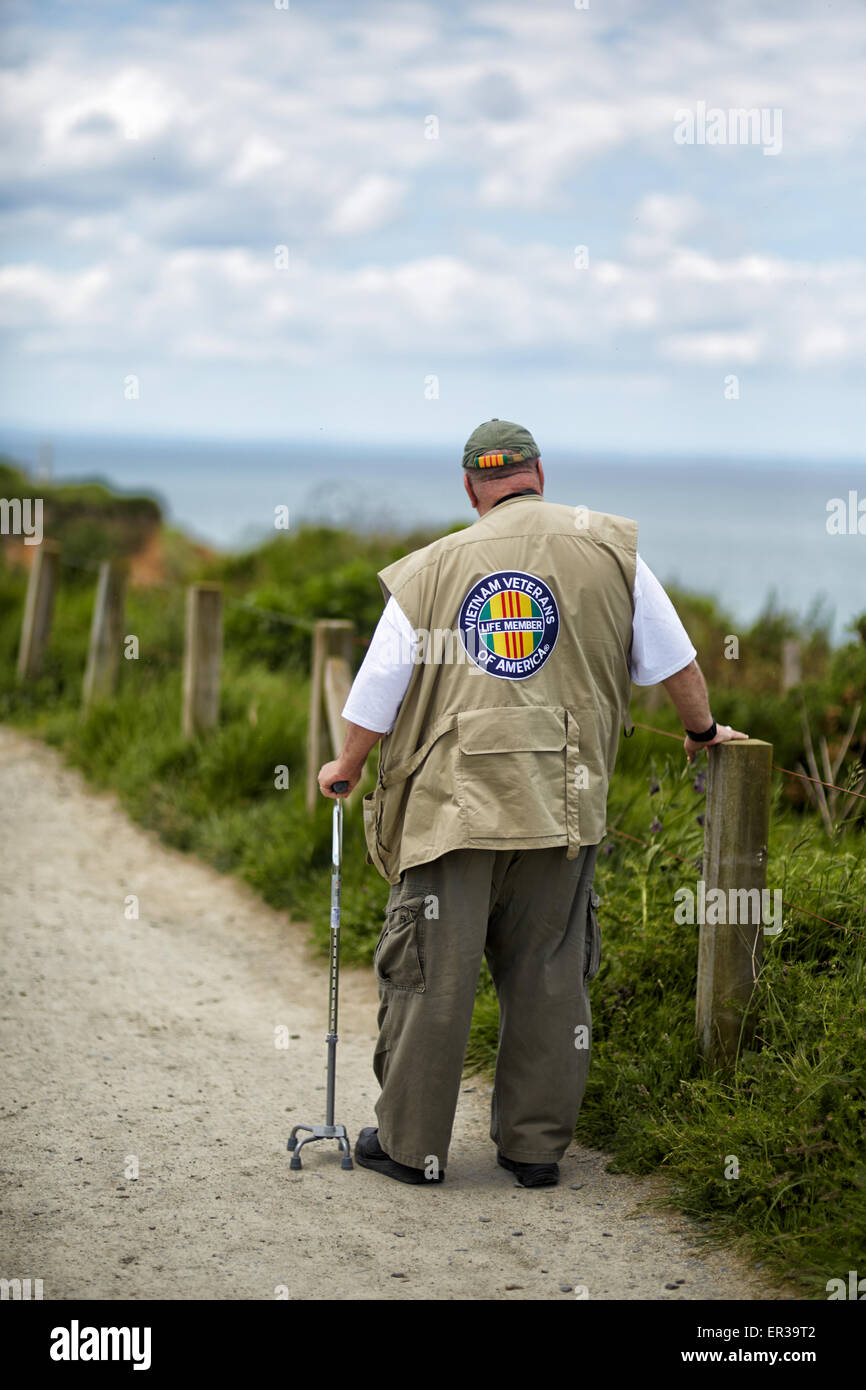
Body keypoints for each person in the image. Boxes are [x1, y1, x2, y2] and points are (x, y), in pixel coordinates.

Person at [317, 419, 747, 1188]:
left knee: (434, 979)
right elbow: (675, 659)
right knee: (551, 975)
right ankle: (535, 1151)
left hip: (455, 813)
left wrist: (344, 765)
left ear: (470, 488)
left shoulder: (433, 567)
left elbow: (379, 687)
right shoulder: (612, 549)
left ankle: (414, 1149)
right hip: (563, 806)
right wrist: (703, 730)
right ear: (539, 474)